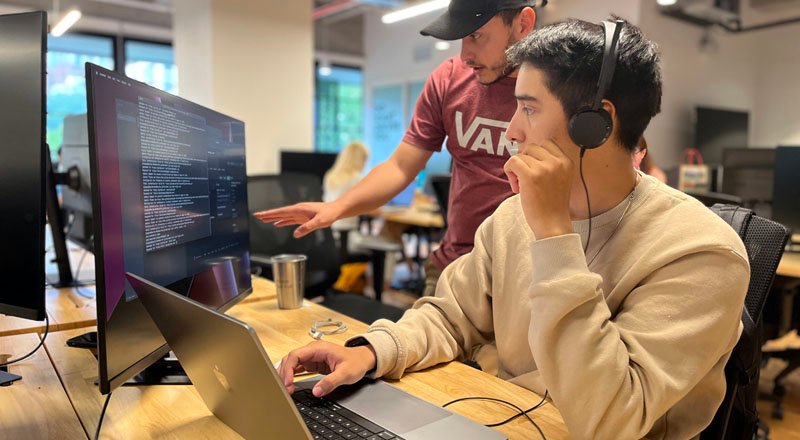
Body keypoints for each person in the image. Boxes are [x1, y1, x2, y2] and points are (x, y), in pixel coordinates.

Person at [276, 19, 750, 439]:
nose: (511, 132)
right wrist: (372, 351)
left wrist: (554, 236)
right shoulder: (511, 217)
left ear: (596, 125)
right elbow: (450, 316)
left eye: (529, 108)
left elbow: (610, 419)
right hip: (505, 418)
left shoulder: (702, 252)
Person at [256, 0, 539, 296]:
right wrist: (336, 207)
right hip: (456, 266)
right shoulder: (450, 79)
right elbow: (400, 166)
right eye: (461, 38)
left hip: (529, 276)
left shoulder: (559, 89)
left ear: (523, 24)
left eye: (476, 36)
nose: (465, 55)